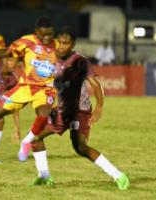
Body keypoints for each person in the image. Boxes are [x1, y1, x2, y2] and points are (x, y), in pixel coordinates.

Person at [26, 27, 130, 190]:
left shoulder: (79, 61)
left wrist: (99, 107)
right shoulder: (49, 58)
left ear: (73, 45)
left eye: (66, 43)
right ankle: (44, 176)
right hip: (61, 111)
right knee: (35, 137)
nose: (61, 46)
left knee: (80, 147)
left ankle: (118, 175)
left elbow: (95, 85)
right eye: (59, 42)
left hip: (79, 111)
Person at [0, 16, 58, 160]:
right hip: (25, 87)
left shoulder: (58, 46)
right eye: (43, 34)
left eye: (49, 34)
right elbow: (7, 52)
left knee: (43, 115)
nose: (46, 37)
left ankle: (27, 141)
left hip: (45, 90)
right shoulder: (26, 41)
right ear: (36, 31)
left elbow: (69, 63)